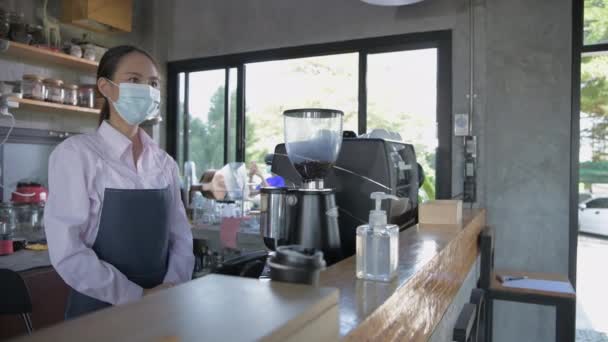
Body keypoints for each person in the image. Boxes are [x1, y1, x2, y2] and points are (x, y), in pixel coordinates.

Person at [44, 45, 194, 319]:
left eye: (153, 83)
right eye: (134, 80)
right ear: (106, 87)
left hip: (160, 309)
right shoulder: (77, 154)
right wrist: (135, 296)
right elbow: (68, 250)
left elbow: (181, 239)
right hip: (97, 314)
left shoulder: (164, 163)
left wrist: (170, 289)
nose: (146, 90)